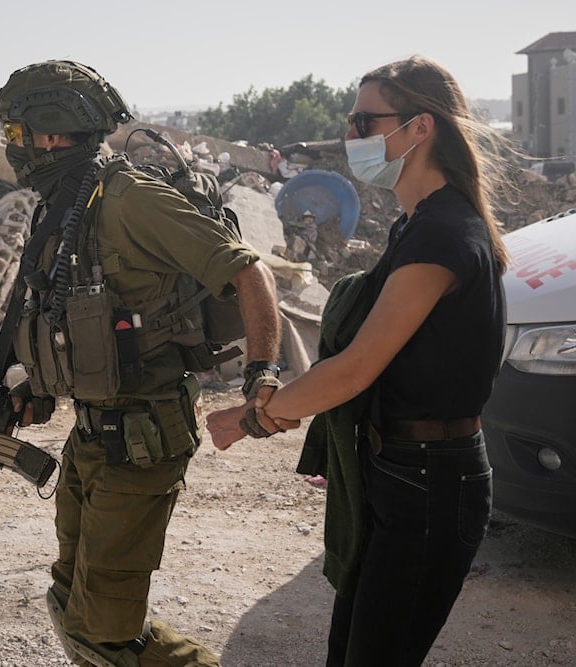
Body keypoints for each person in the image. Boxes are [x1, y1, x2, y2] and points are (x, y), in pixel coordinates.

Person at [207, 55, 510, 666]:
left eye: (363, 121)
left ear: (419, 128)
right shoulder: (416, 224)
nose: (351, 136)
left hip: (429, 481)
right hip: (400, 468)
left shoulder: (443, 235)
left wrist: (252, 418)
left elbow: (353, 370)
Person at [0, 60, 282, 667]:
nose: (10, 147)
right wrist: (33, 388)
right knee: (71, 600)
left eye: (14, 134)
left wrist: (262, 376)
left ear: (48, 133)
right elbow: (69, 322)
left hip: (143, 438)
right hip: (93, 434)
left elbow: (247, 270)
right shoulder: (64, 209)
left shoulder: (129, 199)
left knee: (106, 631)